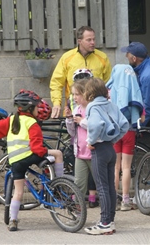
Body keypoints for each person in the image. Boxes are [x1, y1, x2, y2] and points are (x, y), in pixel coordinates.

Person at [0, 89, 64, 231]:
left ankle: (13, 221)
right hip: (30, 155)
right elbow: (36, 148)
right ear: (30, 108)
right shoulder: (32, 123)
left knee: (18, 192)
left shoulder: (11, 120)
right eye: (36, 107)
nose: (38, 109)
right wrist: (46, 155)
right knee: (57, 154)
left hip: (15, 160)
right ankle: (59, 184)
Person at [83, 78, 129, 235]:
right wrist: (114, 139)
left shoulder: (93, 106)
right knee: (109, 186)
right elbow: (124, 125)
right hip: (111, 148)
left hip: (99, 149)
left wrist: (91, 140)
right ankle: (110, 220)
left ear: (90, 92)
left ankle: (104, 223)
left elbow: (95, 125)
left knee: (101, 186)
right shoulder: (111, 105)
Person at [50, 26, 112, 118]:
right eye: (89, 40)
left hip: (98, 110)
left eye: (94, 39)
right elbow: (56, 83)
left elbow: (109, 84)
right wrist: (56, 103)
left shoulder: (102, 57)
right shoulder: (66, 58)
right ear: (79, 41)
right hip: (73, 110)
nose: (93, 43)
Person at [106, 64, 144, 211]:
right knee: (126, 167)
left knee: (115, 167)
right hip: (129, 131)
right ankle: (126, 201)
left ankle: (114, 199)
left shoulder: (109, 90)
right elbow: (140, 111)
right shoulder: (133, 88)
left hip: (115, 132)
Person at [65, 78, 99, 208]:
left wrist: (81, 121)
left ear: (86, 94)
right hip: (80, 153)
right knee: (79, 183)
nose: (74, 97)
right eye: (73, 94)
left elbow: (96, 127)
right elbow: (72, 132)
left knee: (99, 182)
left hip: (93, 152)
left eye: (77, 94)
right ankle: (77, 211)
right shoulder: (76, 110)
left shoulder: (93, 109)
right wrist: (69, 119)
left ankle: (107, 213)